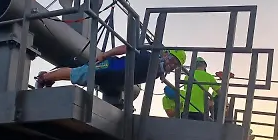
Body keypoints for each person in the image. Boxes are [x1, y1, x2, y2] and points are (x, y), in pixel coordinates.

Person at [35, 45, 186, 92]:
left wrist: (162, 75)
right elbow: (127, 48)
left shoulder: (157, 71)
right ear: (166, 54)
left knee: (80, 77)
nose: (172, 65)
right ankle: (45, 77)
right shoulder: (149, 56)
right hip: (110, 67)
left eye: (176, 65)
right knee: (78, 74)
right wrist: (105, 55)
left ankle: (49, 78)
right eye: (173, 60)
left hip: (114, 78)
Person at [183, 57, 220, 121]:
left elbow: (187, 90)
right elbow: (220, 92)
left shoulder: (188, 76)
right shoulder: (208, 76)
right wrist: (212, 100)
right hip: (200, 111)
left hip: (186, 110)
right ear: (204, 66)